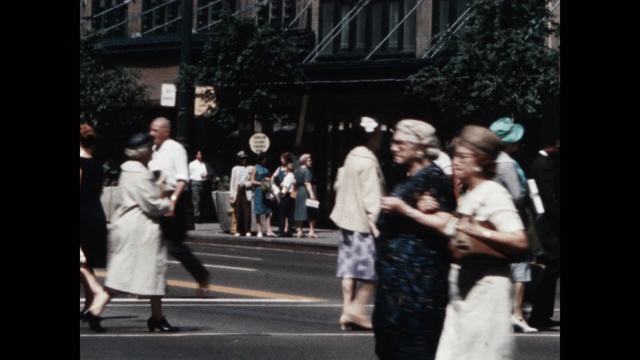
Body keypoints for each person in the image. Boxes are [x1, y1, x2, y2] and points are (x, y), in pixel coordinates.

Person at [433, 125, 529, 360]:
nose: (455, 161)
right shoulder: (471, 192)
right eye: (455, 154)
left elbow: (520, 240)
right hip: (465, 298)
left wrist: (479, 232)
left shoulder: (493, 192)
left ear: (481, 161)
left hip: (485, 297)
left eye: (462, 156)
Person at [374, 119, 457, 359]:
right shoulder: (408, 179)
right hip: (397, 289)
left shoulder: (433, 178)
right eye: (393, 142)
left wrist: (405, 209)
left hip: (419, 289)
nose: (393, 147)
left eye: (400, 143)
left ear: (420, 147)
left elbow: (445, 222)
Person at [104, 133, 179, 332]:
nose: (153, 153)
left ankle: (157, 317)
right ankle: (95, 309)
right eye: (150, 149)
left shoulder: (129, 170)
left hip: (134, 227)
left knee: (136, 274)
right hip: (141, 229)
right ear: (144, 152)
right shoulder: (139, 173)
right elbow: (151, 204)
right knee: (135, 274)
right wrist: (167, 202)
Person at [330, 116, 385, 331]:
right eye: (379, 135)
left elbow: (338, 184)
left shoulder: (350, 157)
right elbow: (373, 196)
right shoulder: (368, 161)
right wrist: (378, 224)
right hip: (362, 223)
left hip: (346, 220)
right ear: (371, 137)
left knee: (348, 270)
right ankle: (356, 312)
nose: (381, 139)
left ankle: (346, 311)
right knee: (370, 272)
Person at [148, 117, 210, 297]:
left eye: (155, 130)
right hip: (156, 200)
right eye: (150, 130)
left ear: (165, 131)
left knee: (175, 247)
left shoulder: (176, 148)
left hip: (173, 199)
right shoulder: (152, 150)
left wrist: (173, 201)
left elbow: (183, 178)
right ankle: (156, 286)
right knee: (152, 244)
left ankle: (201, 274)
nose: (151, 134)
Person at [489, 117, 538, 333]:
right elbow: (517, 194)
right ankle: (516, 313)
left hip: (493, 219)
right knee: (519, 265)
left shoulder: (489, 159)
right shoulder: (506, 162)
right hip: (511, 218)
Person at [526, 137, 561, 330]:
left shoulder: (541, 162)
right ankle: (540, 314)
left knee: (550, 266)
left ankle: (542, 313)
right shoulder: (543, 165)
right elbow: (548, 198)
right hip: (547, 225)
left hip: (543, 222)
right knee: (551, 266)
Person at [80, 124, 111, 332]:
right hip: (96, 215)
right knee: (86, 262)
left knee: (80, 261)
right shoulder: (98, 165)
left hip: (81, 215)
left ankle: (98, 293)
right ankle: (90, 308)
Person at [250, 151, 277, 237]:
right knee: (258, 211)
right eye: (264, 159)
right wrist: (261, 183)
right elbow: (252, 181)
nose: (265, 160)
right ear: (261, 159)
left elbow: (269, 178)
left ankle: (268, 230)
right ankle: (259, 230)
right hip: (258, 191)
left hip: (266, 191)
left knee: (267, 210)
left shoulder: (266, 169)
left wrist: (268, 181)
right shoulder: (255, 168)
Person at [230, 150, 254, 237]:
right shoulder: (235, 169)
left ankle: (247, 230)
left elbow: (252, 181)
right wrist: (232, 194)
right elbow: (232, 182)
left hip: (246, 190)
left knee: (247, 211)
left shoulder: (251, 168)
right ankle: (238, 230)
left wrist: (245, 184)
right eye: (242, 159)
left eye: (245, 158)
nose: (244, 160)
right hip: (237, 191)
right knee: (238, 211)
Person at [293, 153, 318, 238]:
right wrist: (312, 194)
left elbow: (294, 182)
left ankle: (299, 230)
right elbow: (307, 183)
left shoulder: (297, 170)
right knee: (312, 210)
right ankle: (311, 231)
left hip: (299, 191)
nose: (311, 161)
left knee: (300, 210)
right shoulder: (307, 171)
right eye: (309, 160)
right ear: (304, 161)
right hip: (306, 191)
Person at [189, 150, 211, 224]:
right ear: (196, 156)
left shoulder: (204, 164)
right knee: (196, 200)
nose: (200, 156)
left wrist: (207, 176)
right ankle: (196, 216)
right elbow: (190, 173)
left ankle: (202, 216)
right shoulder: (192, 164)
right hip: (195, 182)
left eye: (201, 154)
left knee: (203, 200)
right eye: (198, 154)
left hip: (204, 182)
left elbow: (208, 172)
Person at [277, 163, 296, 237]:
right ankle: (289, 231)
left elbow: (287, 187)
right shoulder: (292, 176)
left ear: (288, 169)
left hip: (286, 195)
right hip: (291, 196)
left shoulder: (288, 176)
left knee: (283, 214)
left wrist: (283, 195)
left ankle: (281, 231)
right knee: (290, 214)